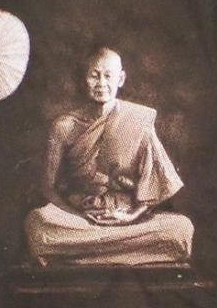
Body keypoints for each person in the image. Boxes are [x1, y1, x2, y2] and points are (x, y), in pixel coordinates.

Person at [24, 47, 194, 266]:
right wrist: (77, 215)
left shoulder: (138, 121)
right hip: (80, 219)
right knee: (37, 223)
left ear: (120, 79)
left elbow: (156, 182)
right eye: (94, 76)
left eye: (108, 76)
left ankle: (81, 254)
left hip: (126, 220)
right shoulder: (64, 126)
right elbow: (48, 187)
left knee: (180, 229)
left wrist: (130, 217)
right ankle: (122, 254)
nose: (101, 83)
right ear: (84, 79)